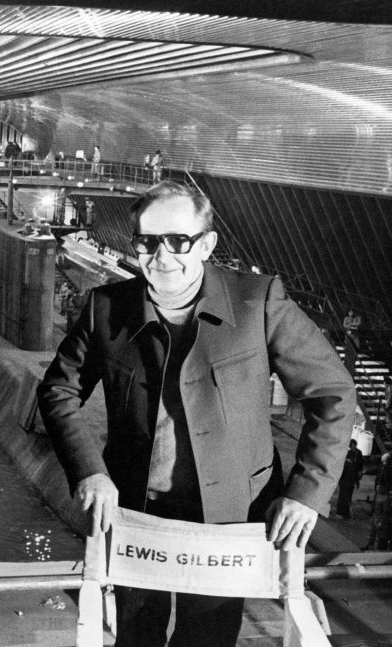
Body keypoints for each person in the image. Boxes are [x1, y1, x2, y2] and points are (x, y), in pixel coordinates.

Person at [37, 180, 356, 647]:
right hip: (137, 516)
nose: (162, 256)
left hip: (229, 519)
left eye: (178, 241)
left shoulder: (258, 302)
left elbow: (332, 393)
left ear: (206, 244)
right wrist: (90, 471)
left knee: (207, 639)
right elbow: (58, 391)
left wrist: (307, 493)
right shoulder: (106, 309)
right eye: (148, 241)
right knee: (136, 639)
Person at [335, 439, 365, 518]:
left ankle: (345, 512)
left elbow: (360, 466)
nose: (353, 447)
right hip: (345, 479)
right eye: (352, 446)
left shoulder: (358, 453)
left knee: (348, 497)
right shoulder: (347, 454)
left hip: (352, 479)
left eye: (354, 445)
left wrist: (358, 478)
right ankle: (340, 512)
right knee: (342, 496)